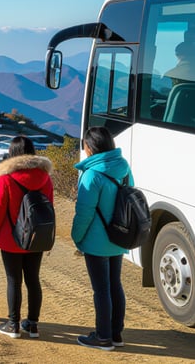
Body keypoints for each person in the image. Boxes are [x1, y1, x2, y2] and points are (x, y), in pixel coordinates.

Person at [0, 136, 54, 339]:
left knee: (13, 280)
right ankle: (32, 325)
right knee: (33, 279)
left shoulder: (6, 178)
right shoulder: (45, 178)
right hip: (36, 237)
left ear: (11, 153)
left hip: (10, 238)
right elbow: (49, 209)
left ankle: (13, 324)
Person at [71, 126, 132, 351]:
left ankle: (103, 337)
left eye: (85, 145)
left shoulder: (91, 174)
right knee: (115, 285)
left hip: (97, 242)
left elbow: (84, 212)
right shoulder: (124, 168)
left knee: (101, 289)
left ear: (90, 147)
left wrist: (77, 238)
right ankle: (116, 334)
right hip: (119, 236)